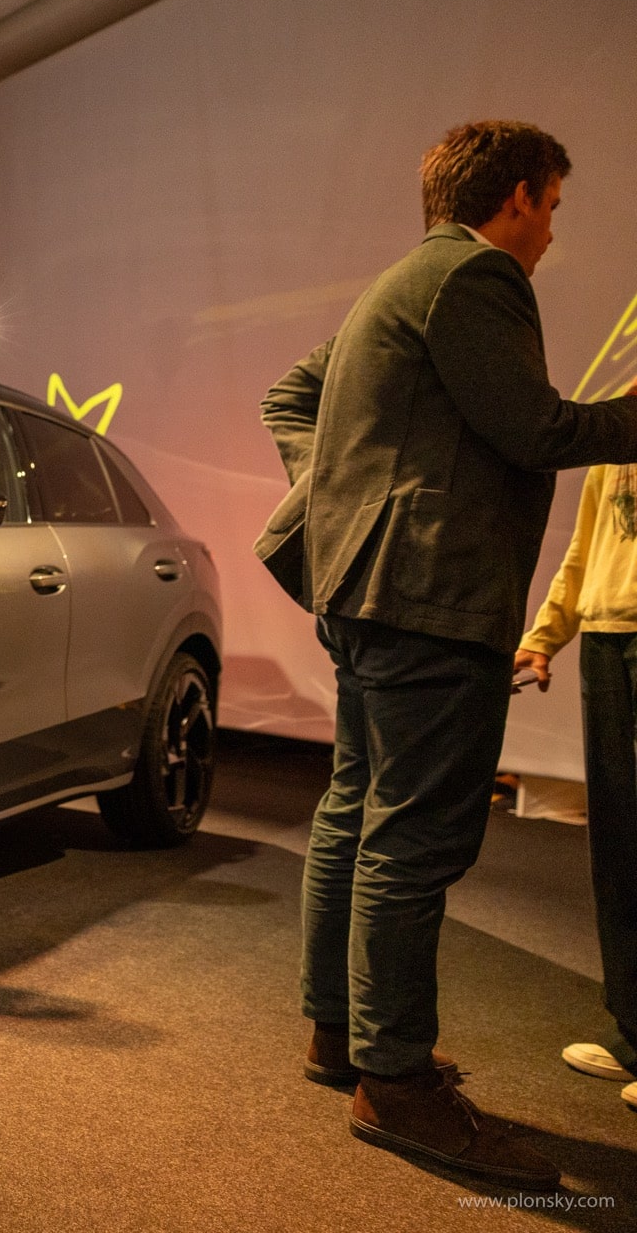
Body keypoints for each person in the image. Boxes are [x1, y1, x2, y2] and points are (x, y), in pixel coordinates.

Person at [255, 121, 637, 1189]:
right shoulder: (477, 277)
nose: (551, 231)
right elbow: (537, 429)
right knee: (414, 837)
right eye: (551, 207)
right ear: (515, 197)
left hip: (373, 594)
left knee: (357, 811)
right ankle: (398, 1083)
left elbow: (288, 397)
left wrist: (347, 497)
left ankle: (342, 1034)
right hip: (429, 597)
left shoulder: (403, 282)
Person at [515, 464, 637, 1111]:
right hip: (609, 636)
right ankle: (634, 1030)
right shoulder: (621, 428)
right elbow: (587, 542)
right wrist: (545, 634)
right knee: (618, 840)